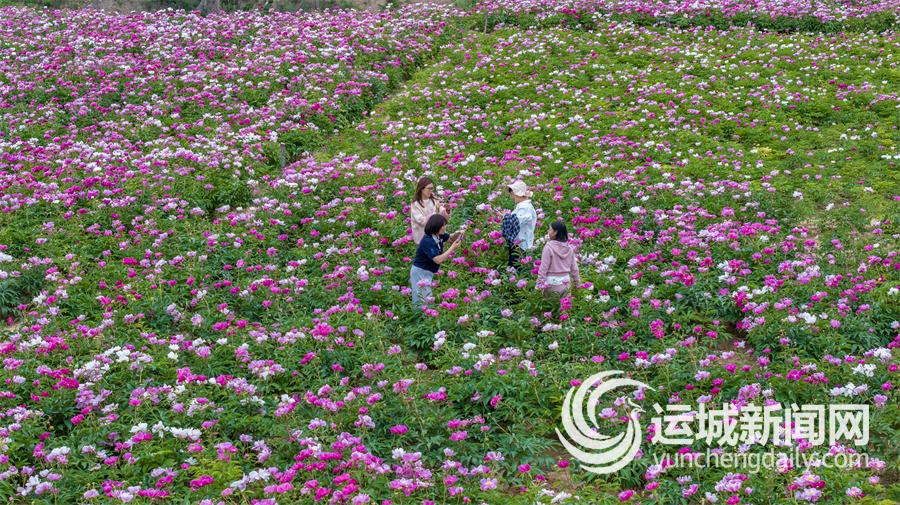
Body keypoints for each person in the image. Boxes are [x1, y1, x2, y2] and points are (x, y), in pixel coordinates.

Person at [410, 214, 463, 307]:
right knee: (422, 300)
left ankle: (424, 314)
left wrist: (457, 234)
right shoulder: (428, 240)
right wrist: (452, 248)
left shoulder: (438, 236)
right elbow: (437, 260)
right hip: (420, 271)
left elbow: (450, 238)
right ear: (436, 226)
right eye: (443, 226)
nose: (444, 227)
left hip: (427, 271)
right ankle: (419, 315)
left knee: (426, 298)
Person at [537, 221, 579, 299]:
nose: (548, 231)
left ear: (555, 232)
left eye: (550, 229)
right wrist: (577, 284)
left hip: (551, 283)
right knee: (565, 305)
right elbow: (574, 268)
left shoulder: (548, 247)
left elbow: (543, 268)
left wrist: (539, 284)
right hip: (566, 283)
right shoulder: (569, 248)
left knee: (550, 305)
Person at [501, 180, 536, 271]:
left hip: (521, 245)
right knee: (514, 267)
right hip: (518, 243)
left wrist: (505, 217)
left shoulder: (525, 207)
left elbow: (516, 222)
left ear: (517, 194)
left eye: (512, 194)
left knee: (516, 269)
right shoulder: (522, 206)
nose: (511, 197)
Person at [410, 177, 448, 245]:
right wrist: (436, 211)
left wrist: (447, 210)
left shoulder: (435, 200)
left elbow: (444, 218)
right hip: (423, 239)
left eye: (432, 188)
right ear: (421, 189)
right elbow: (422, 221)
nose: (431, 191)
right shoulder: (415, 204)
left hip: (437, 237)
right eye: (429, 188)